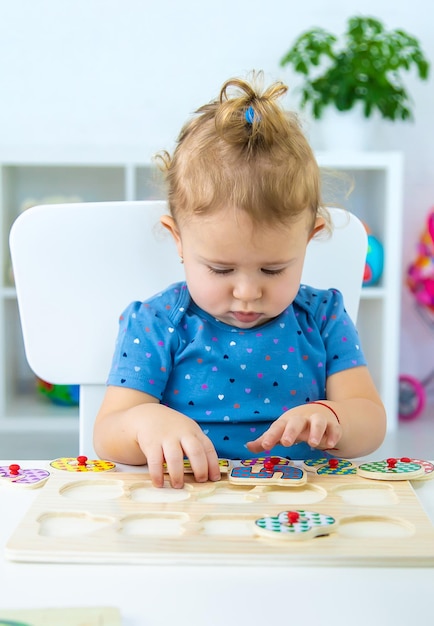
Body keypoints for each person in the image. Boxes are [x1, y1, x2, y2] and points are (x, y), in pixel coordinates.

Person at [94, 72, 386, 488]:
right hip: (188, 503)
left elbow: (370, 420)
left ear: (310, 239)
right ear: (178, 240)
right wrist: (144, 421)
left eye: (273, 269)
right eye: (220, 269)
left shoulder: (322, 318)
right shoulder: (158, 323)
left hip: (300, 505)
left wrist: (335, 417)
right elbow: (108, 433)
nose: (247, 292)